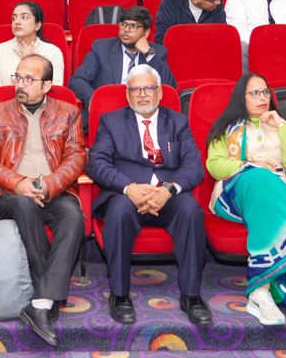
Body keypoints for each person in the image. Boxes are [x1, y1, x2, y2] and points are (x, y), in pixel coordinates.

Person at [0, 54, 87, 346]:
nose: (20, 84)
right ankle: (48, 296)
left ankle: (40, 303)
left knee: (74, 217)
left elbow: (76, 156)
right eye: (18, 77)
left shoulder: (68, 112)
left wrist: (50, 185)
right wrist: (17, 182)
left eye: (28, 79)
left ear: (47, 85)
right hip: (10, 192)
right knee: (25, 205)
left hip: (54, 189)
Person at [206, 74, 286, 326]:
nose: (262, 97)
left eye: (265, 92)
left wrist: (282, 126)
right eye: (254, 93)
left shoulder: (281, 125)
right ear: (241, 97)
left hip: (276, 195)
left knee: (267, 191)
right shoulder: (226, 127)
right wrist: (249, 165)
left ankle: (260, 293)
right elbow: (215, 166)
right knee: (259, 176)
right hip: (234, 194)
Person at [86, 65, 210, 324]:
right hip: (126, 195)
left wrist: (168, 189)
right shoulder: (111, 121)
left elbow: (193, 165)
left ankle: (191, 295)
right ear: (127, 94)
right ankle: (119, 295)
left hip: (168, 195)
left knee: (190, 210)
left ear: (160, 92)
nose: (142, 94)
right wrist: (129, 187)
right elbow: (96, 163)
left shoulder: (177, 122)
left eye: (149, 88)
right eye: (135, 89)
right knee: (118, 212)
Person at [69, 6, 176, 123]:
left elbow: (170, 87)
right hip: (107, 113)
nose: (126, 30)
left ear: (146, 33)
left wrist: (149, 54)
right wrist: (94, 101)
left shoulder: (157, 52)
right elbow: (77, 80)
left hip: (142, 113)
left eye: (133, 26)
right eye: (124, 24)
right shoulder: (101, 48)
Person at [0, 2, 65, 93]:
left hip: (42, 103)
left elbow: (53, 90)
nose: (17, 22)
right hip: (5, 103)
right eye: (14, 18)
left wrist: (31, 61)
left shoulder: (53, 53)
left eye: (24, 17)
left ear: (37, 25)